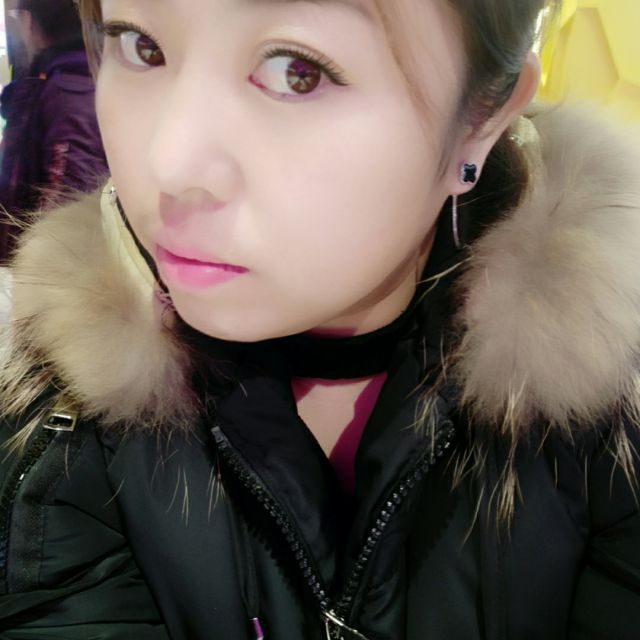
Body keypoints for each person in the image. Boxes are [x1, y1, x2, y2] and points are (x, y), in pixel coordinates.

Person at [0, 0, 639, 638]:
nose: (169, 164)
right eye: (140, 46)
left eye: (296, 72)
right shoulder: (62, 419)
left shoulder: (612, 412)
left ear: (481, 119)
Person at [0, 0, 107, 263]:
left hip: (53, 266)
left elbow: (69, 194)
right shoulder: (62, 76)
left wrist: (36, 267)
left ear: (28, 21)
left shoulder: (68, 85)